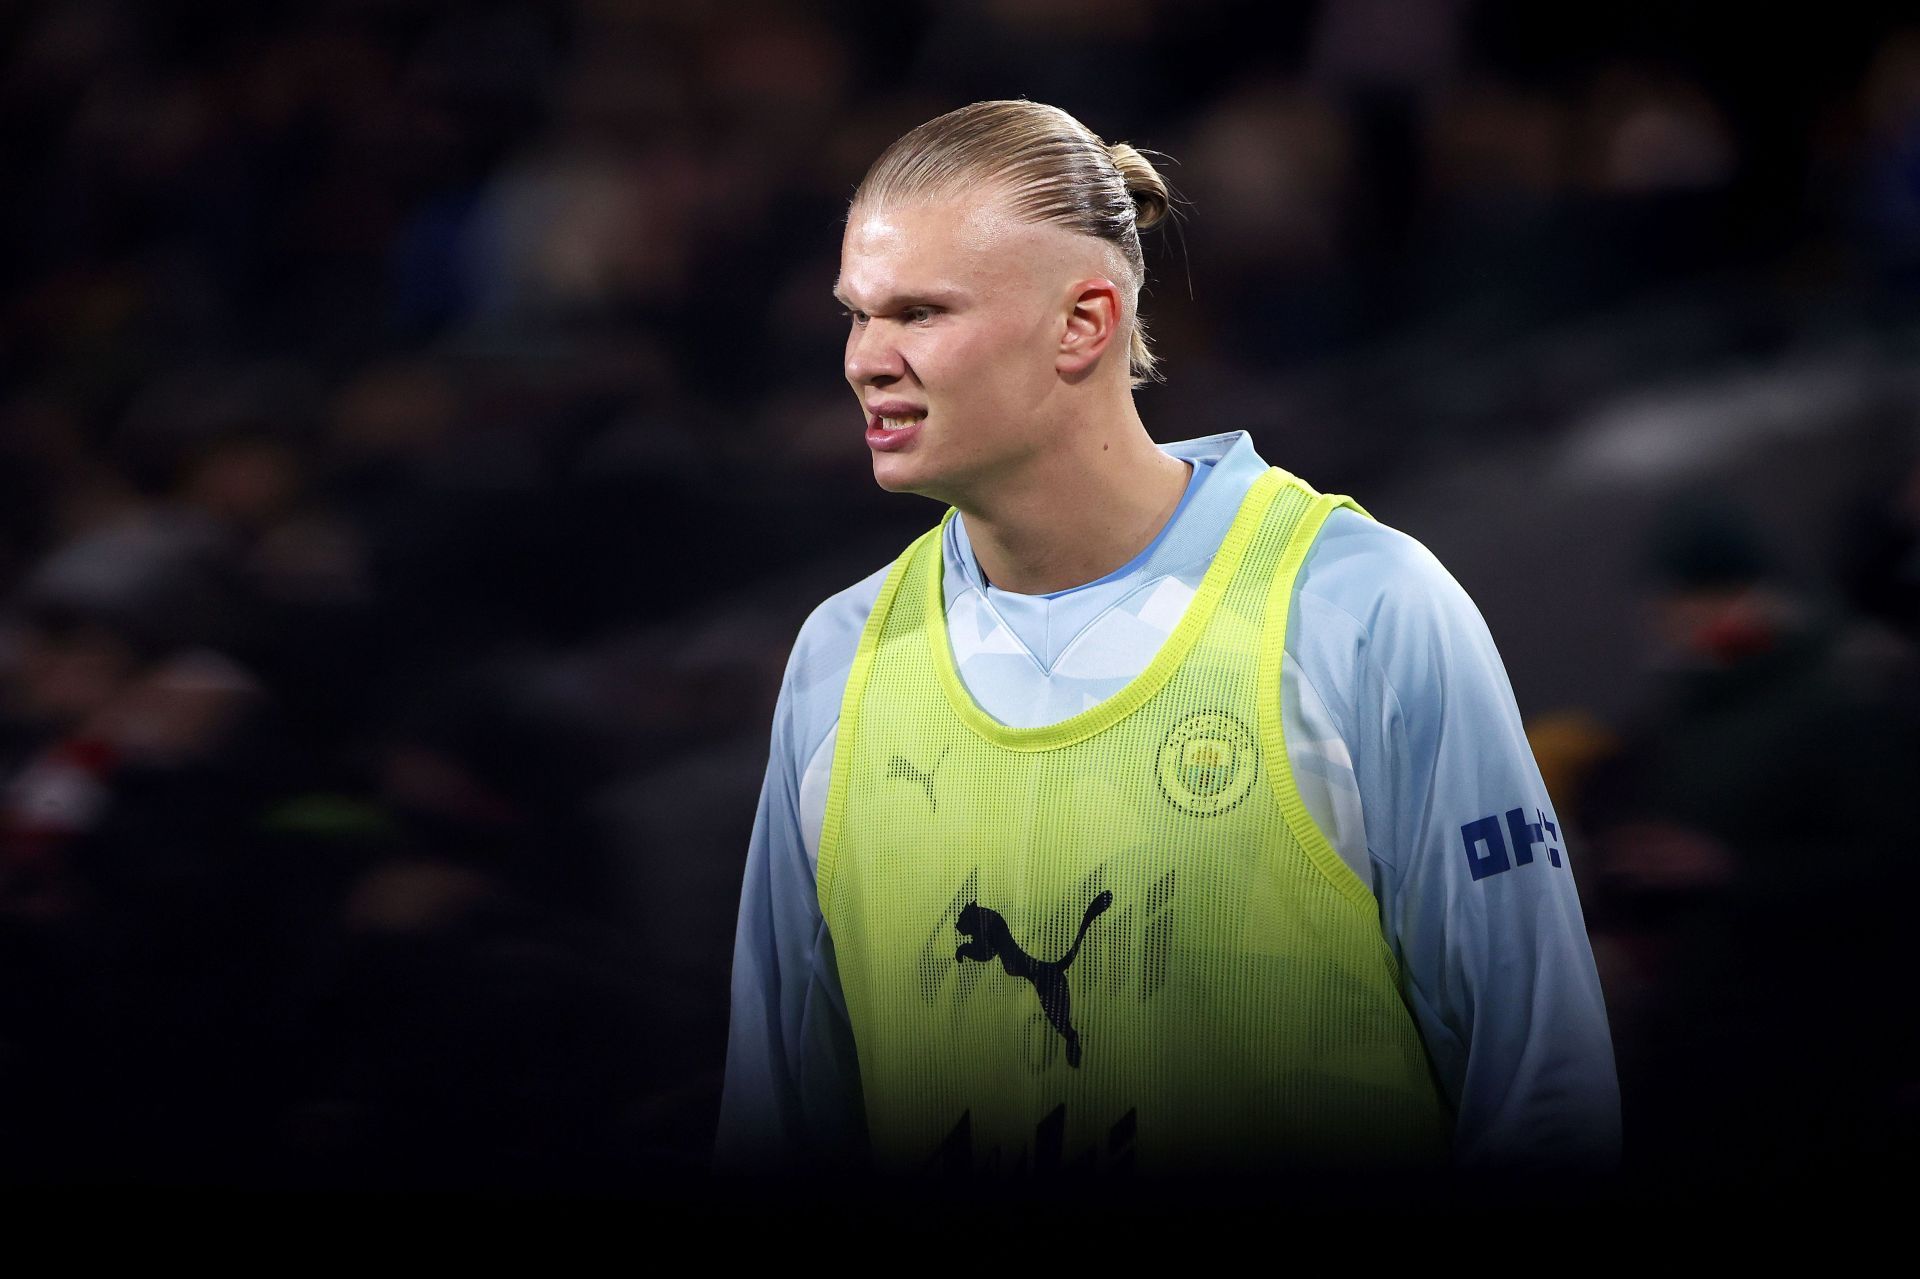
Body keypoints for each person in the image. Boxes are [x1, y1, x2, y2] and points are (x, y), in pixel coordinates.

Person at [717, 99, 1618, 1178]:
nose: (868, 359)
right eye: (857, 315)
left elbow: (1544, 1098)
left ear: (1084, 322)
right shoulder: (838, 661)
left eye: (919, 312)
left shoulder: (1362, 608)